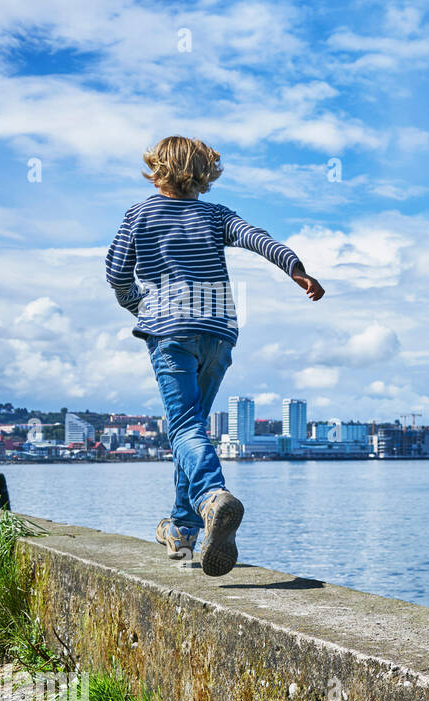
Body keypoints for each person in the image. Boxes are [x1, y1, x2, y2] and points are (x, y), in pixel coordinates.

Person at [105, 136, 325, 576]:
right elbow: (258, 238)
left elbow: (115, 272)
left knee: (184, 426)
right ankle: (184, 529)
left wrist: (138, 304)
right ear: (206, 173)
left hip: (171, 330)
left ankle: (210, 498)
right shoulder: (215, 214)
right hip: (218, 333)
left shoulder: (140, 212)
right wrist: (296, 269)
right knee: (193, 431)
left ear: (156, 167)